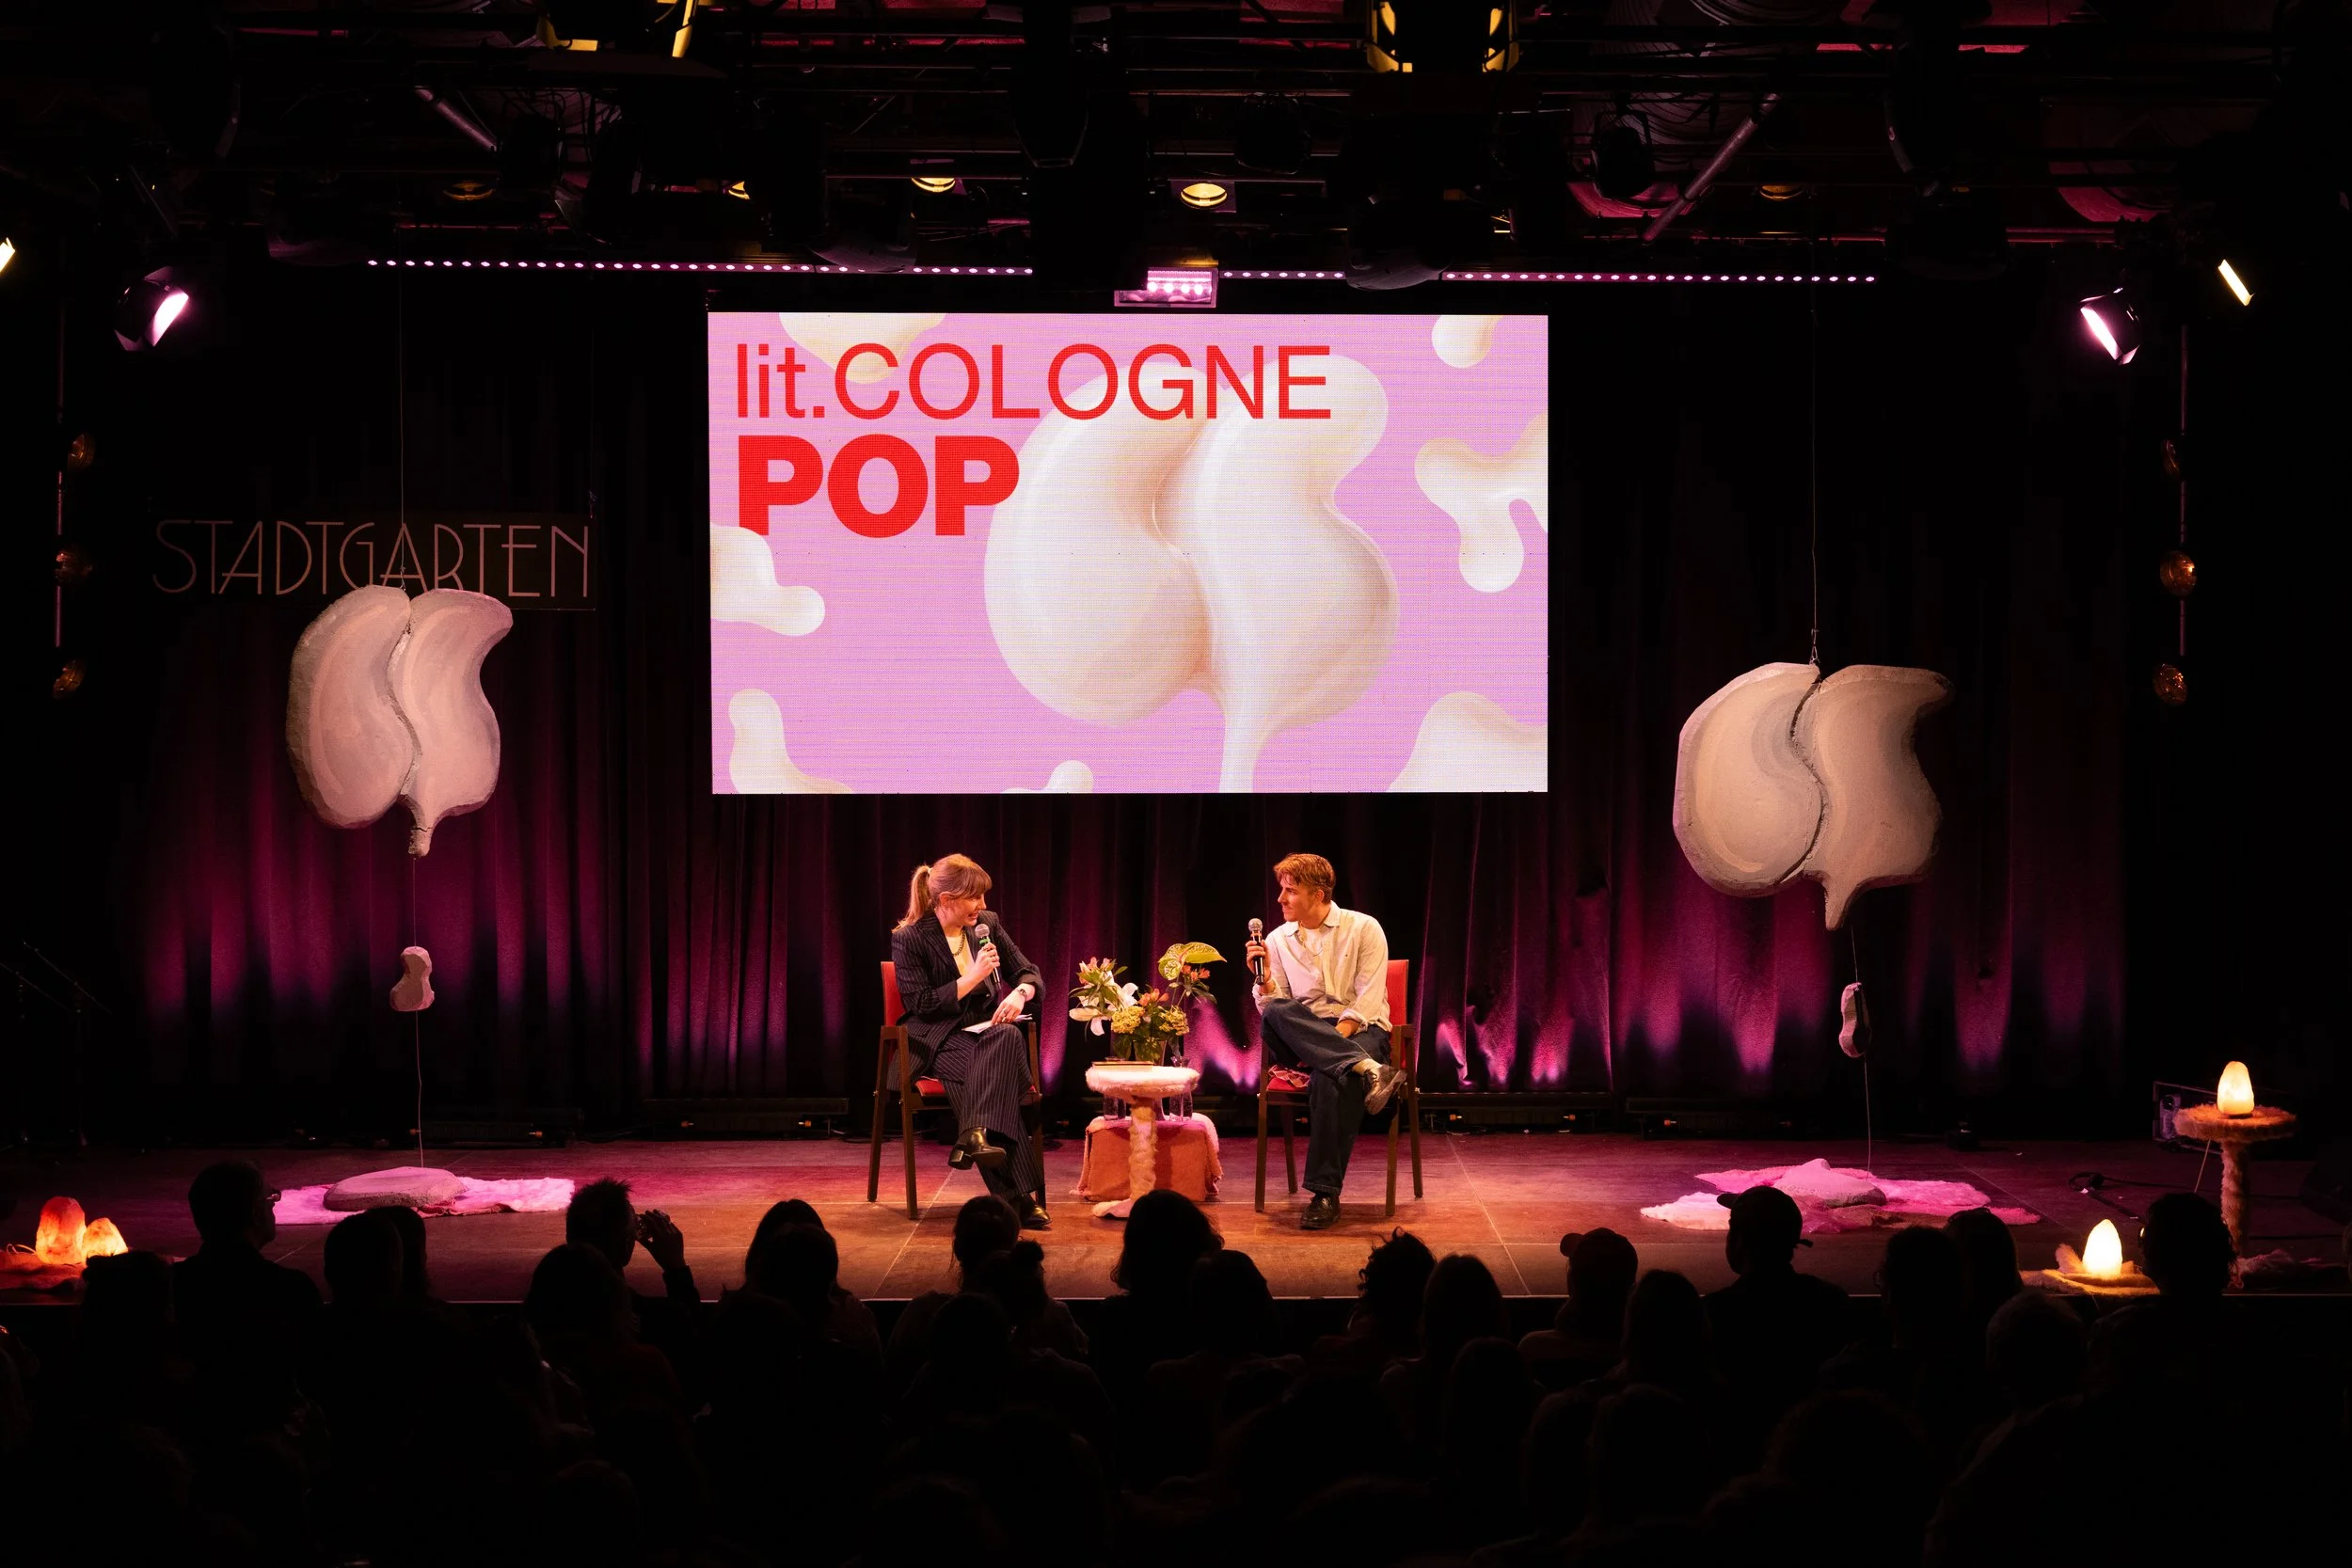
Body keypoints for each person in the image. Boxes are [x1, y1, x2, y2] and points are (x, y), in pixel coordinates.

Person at [890, 853, 1049, 1228]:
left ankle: (973, 1134)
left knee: (1005, 1037)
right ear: (946, 900)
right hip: (934, 1041)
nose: (983, 905)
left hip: (982, 1037)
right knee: (1000, 1065)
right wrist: (973, 977)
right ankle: (1019, 1199)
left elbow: (1028, 971)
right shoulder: (910, 938)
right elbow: (921, 1004)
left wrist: (1021, 992)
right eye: (974, 897)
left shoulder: (987, 925)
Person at [1245, 852, 1402, 1230]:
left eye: (1290, 891)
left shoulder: (1364, 928)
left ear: (1318, 895)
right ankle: (1370, 1070)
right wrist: (1261, 977)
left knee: (1332, 1078)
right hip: (1300, 1030)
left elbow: (1368, 997)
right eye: (1281, 890)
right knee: (1277, 1011)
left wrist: (1331, 1043)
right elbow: (1274, 1002)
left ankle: (1324, 1194)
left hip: (1361, 1027)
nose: (1280, 899)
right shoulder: (1277, 939)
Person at [170, 1160, 322, 1433]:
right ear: (254, 1213)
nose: (273, 1206)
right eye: (270, 1199)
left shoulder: (172, 1284)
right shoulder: (288, 1290)